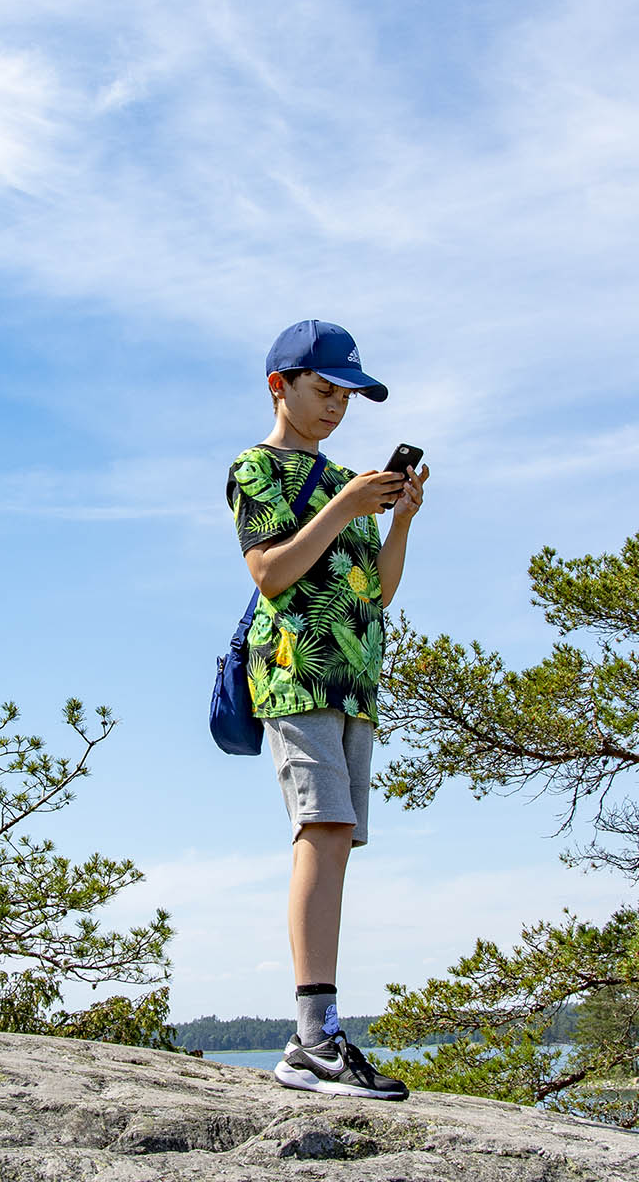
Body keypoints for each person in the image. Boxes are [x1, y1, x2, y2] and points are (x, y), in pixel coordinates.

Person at [225, 319, 430, 1100]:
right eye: (325, 390)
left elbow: (372, 593)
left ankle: (319, 1034)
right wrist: (345, 506)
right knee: (323, 828)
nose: (339, 406)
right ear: (280, 385)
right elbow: (271, 572)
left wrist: (399, 518)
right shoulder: (256, 469)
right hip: (295, 676)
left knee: (338, 839)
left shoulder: (349, 482)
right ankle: (313, 1037)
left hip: (354, 680)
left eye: (349, 394)